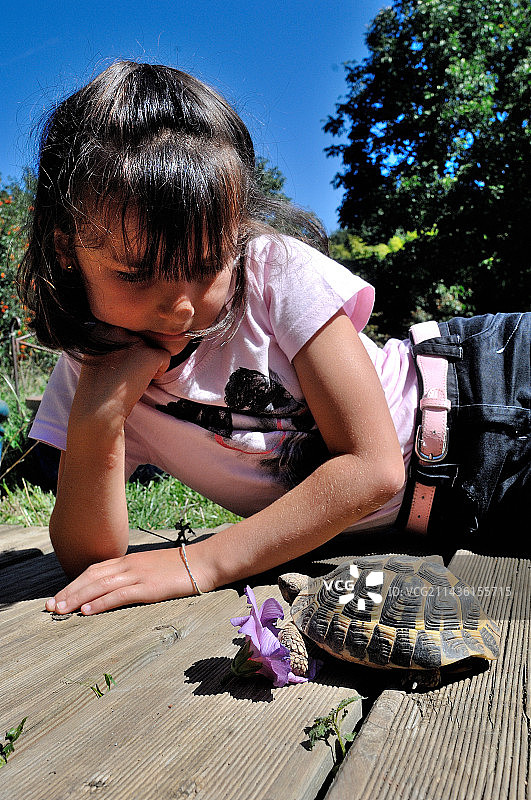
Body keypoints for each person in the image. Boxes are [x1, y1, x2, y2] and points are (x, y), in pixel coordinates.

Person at [20, 61, 530, 617]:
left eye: (206, 265)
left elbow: (373, 467)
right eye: (136, 274)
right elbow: (90, 562)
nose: (181, 306)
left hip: (487, 384)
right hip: (460, 512)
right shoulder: (89, 371)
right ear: (66, 250)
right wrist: (99, 416)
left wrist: (201, 562)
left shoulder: (271, 272)